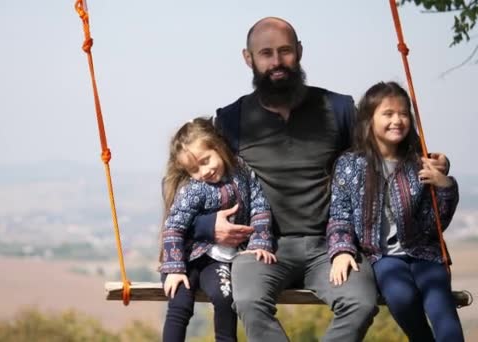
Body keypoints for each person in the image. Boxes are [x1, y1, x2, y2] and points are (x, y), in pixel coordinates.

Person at [190, 17, 450, 341]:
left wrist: (436, 163)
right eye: (266, 53)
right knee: (247, 300)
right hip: (262, 246)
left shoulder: (337, 108)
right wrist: (206, 225)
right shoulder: (231, 119)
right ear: (249, 58)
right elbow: (189, 183)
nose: (276, 62)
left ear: (299, 52)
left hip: (331, 246)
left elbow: (382, 156)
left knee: (360, 302)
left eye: (285, 51)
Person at [327, 81, 464, 342]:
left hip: (424, 253)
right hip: (382, 257)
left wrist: (445, 187)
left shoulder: (418, 163)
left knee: (442, 309)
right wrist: (341, 250)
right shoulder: (350, 164)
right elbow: (339, 215)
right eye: (387, 114)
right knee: (401, 297)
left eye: (403, 114)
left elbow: (434, 224)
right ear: (368, 120)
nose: (397, 120)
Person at [159, 117, 276, 342]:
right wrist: (174, 269)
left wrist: (260, 242)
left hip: (218, 260)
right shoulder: (194, 190)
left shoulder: (242, 172)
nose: (203, 172)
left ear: (218, 146)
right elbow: (173, 227)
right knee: (180, 302)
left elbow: (260, 206)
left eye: (205, 161)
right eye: (193, 169)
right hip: (184, 259)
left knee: (225, 298)